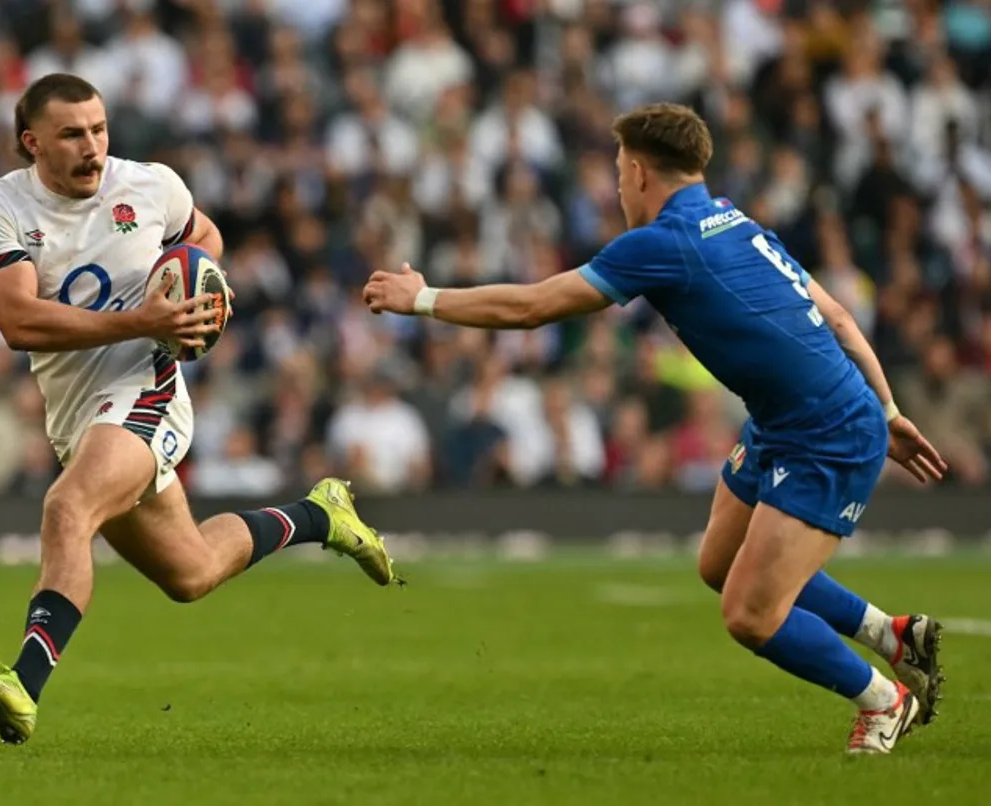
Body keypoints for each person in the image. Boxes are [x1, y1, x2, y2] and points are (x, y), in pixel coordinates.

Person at [363, 103, 947, 755]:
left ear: (639, 172)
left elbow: (532, 308)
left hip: (829, 435)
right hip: (783, 422)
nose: (616, 188)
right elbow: (835, 314)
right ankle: (893, 636)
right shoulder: (739, 221)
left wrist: (422, 299)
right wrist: (890, 408)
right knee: (720, 565)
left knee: (751, 615)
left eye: (617, 173)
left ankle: (883, 698)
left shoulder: (663, 244)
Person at [0, 74, 401, 746]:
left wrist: (200, 294)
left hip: (146, 390)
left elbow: (206, 241)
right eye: (72, 134)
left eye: (99, 129)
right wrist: (143, 316)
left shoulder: (151, 186)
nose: (92, 146)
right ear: (31, 142)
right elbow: (18, 321)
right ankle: (320, 514)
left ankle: (23, 685)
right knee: (189, 573)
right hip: (79, 411)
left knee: (66, 509)